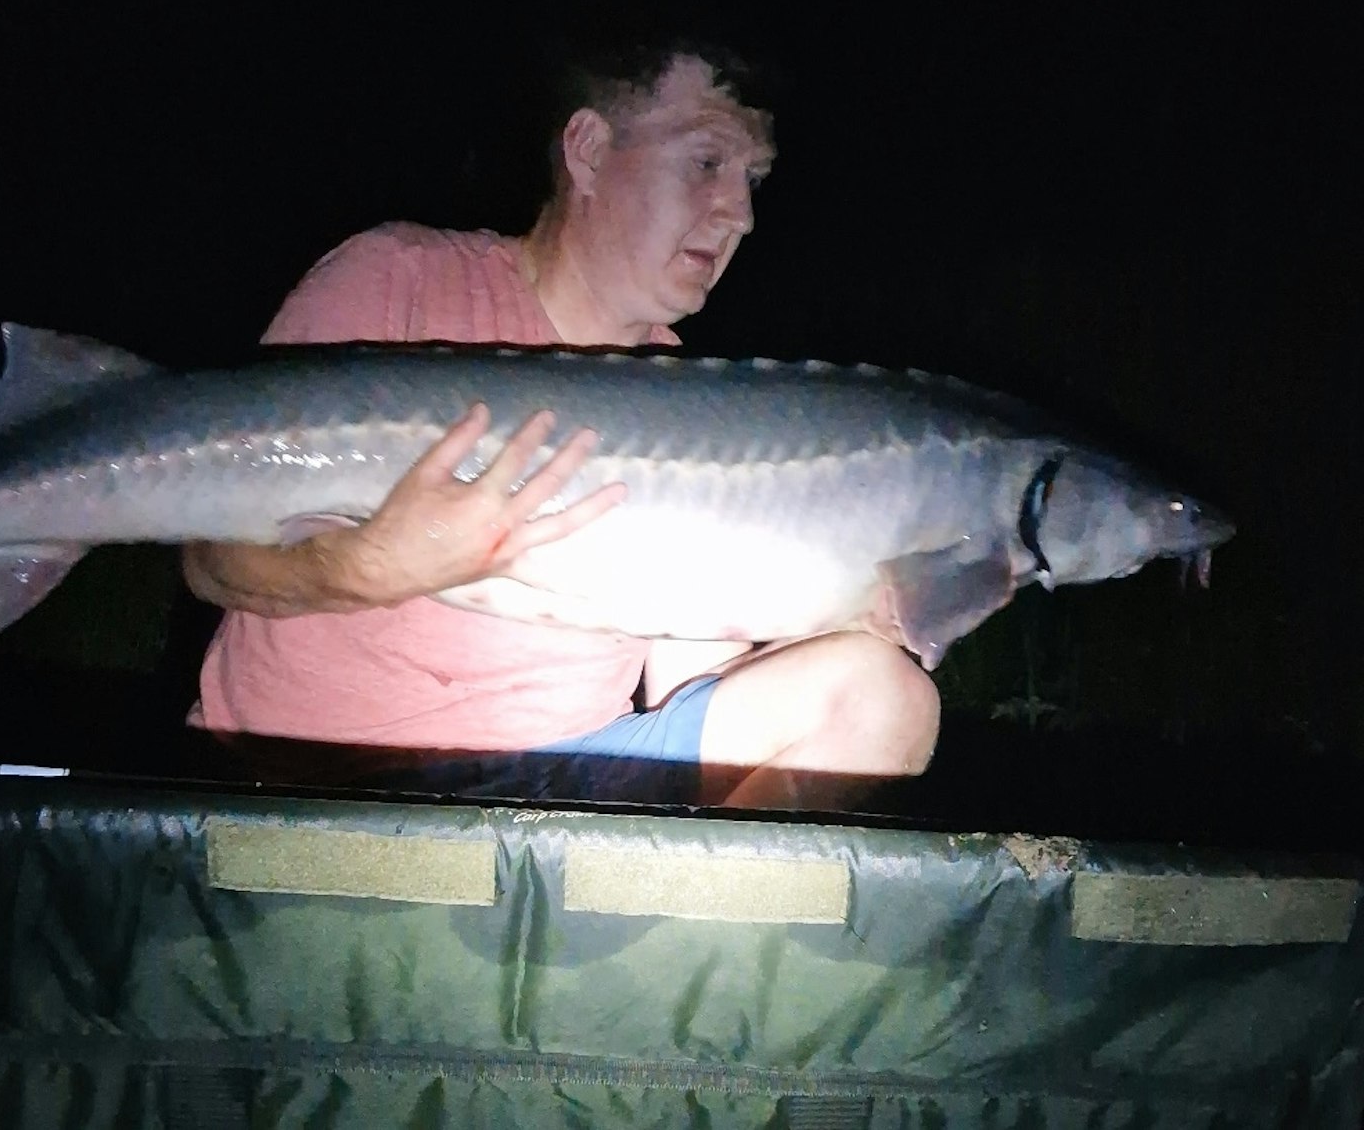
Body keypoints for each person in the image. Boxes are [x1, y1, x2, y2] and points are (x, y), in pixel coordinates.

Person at [183, 41, 939, 810]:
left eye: (752, 181)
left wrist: (840, 611)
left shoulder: (696, 395)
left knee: (881, 702)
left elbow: (689, 671)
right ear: (587, 151)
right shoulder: (398, 282)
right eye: (707, 163)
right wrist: (365, 566)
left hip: (572, 776)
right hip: (317, 770)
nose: (740, 214)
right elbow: (213, 560)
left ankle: (669, 914)